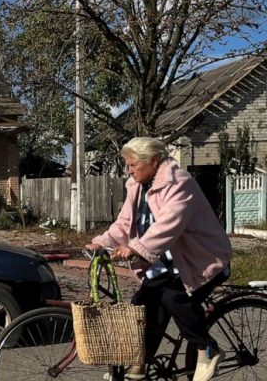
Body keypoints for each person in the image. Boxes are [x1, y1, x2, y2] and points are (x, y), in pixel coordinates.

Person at [85, 137, 232, 381]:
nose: (129, 170)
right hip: (166, 264)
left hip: (201, 260)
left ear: (153, 161)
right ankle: (141, 363)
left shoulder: (179, 183)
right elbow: (125, 223)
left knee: (174, 298)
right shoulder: (136, 185)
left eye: (133, 165)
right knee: (142, 305)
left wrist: (137, 248)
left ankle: (208, 350)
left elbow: (169, 225)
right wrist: (101, 242)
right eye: (127, 165)